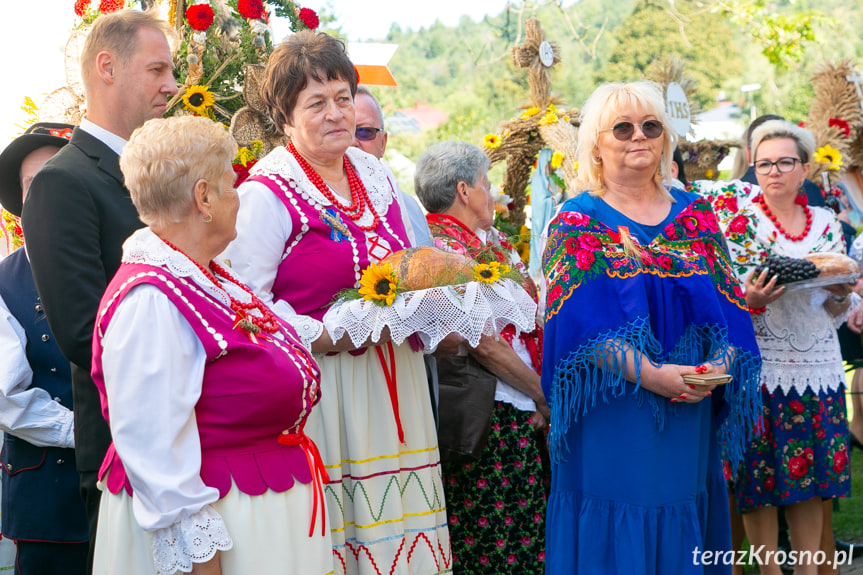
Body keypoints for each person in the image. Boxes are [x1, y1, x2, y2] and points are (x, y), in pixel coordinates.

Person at [221, 30, 450, 574]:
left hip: (398, 378)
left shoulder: (375, 175)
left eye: (343, 98)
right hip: (326, 390)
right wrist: (322, 333)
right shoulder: (266, 192)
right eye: (316, 103)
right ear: (284, 119)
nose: (335, 114)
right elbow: (245, 301)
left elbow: (409, 263)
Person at [90, 115, 333, 575]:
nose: (238, 195)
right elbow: (152, 444)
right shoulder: (152, 299)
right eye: (230, 183)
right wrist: (201, 561)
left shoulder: (207, 275)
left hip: (254, 512)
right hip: (225, 524)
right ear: (203, 197)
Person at [541, 81, 762, 574]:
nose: (638, 136)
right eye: (622, 128)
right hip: (616, 409)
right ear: (596, 145)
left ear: (665, 138)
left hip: (691, 405)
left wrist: (716, 369)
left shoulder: (698, 216)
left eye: (651, 126)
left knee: (682, 511)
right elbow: (578, 330)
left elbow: (730, 307)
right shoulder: (576, 223)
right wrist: (654, 375)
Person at [20, 9, 178, 570]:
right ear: (106, 67)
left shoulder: (160, 175)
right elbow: (85, 331)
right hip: (127, 440)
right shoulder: (64, 181)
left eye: (172, 71)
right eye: (157, 69)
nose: (173, 85)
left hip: (188, 432)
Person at [721, 120, 856, 575]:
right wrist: (751, 301)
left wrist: (843, 292)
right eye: (763, 164)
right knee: (759, 477)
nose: (773, 171)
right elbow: (726, 295)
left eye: (784, 162)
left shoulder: (825, 224)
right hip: (762, 365)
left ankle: (806, 569)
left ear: (804, 169)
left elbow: (836, 304)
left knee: (813, 480)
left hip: (819, 364)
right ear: (753, 168)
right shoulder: (738, 220)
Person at [414, 140, 549, 573]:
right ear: (464, 191)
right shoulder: (444, 250)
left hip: (509, 408)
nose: (492, 193)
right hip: (492, 417)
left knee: (518, 538)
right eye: (486, 183)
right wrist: (542, 394)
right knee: (498, 546)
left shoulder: (481, 241)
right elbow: (483, 341)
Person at [0, 122, 89, 575]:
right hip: (47, 503)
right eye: (36, 184)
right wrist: (91, 432)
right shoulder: (3, 282)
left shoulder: (120, 260)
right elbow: (7, 398)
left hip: (131, 488)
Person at [352, 85, 432, 247]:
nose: (353, 142)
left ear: (383, 144)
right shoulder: (308, 206)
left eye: (364, 132)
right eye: (343, 132)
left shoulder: (409, 206)